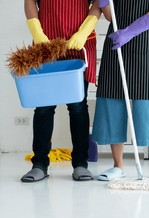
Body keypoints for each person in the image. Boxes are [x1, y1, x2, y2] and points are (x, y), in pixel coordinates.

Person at [93, 0, 149, 182]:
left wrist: (131, 31)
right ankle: (118, 166)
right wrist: (103, 3)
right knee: (113, 99)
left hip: (144, 42)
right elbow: (111, 16)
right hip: (117, 43)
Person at [21, 0, 101, 182]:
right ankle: (40, 164)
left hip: (78, 46)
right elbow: (29, 1)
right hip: (46, 46)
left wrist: (83, 32)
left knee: (78, 107)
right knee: (43, 108)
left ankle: (80, 164)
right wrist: (38, 33)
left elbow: (98, 4)